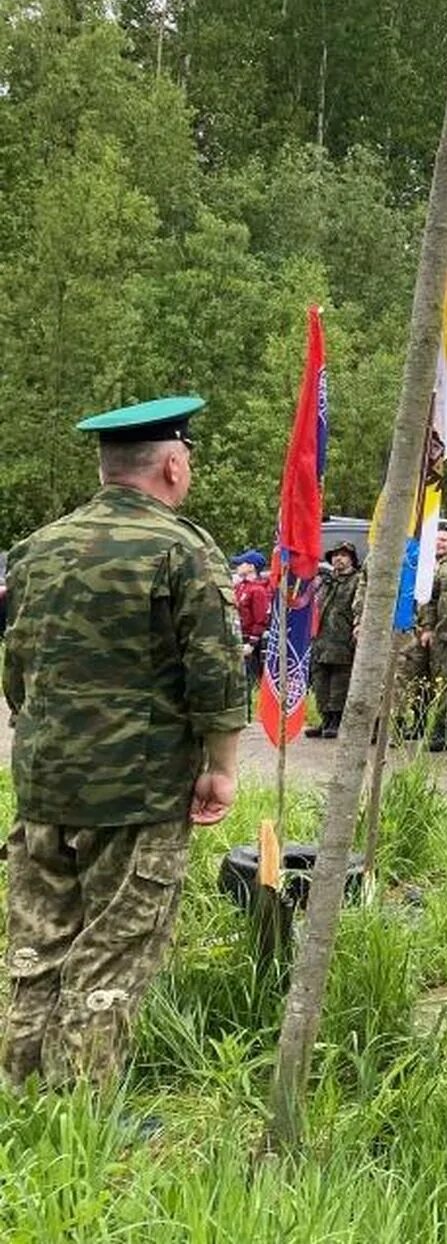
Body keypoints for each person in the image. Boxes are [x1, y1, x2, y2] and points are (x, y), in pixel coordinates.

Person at [2, 395, 243, 1089]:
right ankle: (79, 1113)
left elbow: (16, 669)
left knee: (38, 944)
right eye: (187, 459)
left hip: (45, 782)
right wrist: (220, 767)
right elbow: (216, 672)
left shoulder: (36, 549)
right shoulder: (182, 549)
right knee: (112, 951)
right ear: (172, 465)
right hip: (137, 790)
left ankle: (19, 1090)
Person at [407, 523, 447, 749]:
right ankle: (418, 723)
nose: (439, 543)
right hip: (420, 630)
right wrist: (426, 626)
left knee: (444, 681)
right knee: (418, 679)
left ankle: (444, 730)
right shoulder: (420, 561)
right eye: (436, 539)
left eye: (444, 540)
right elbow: (428, 600)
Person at [307, 542, 363, 738]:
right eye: (335, 555)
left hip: (342, 639)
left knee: (340, 681)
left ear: (352, 559)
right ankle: (325, 719)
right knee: (320, 681)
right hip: (321, 639)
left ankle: (336, 721)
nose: (339, 559)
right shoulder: (325, 581)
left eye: (344, 555)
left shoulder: (356, 581)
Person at [232, 550, 274, 715]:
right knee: (238, 678)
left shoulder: (258, 590)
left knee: (248, 678)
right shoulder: (241, 586)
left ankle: (250, 713)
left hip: (249, 640)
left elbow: (260, 619)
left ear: (251, 567)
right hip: (237, 636)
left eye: (241, 563)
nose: (237, 566)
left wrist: (251, 643)